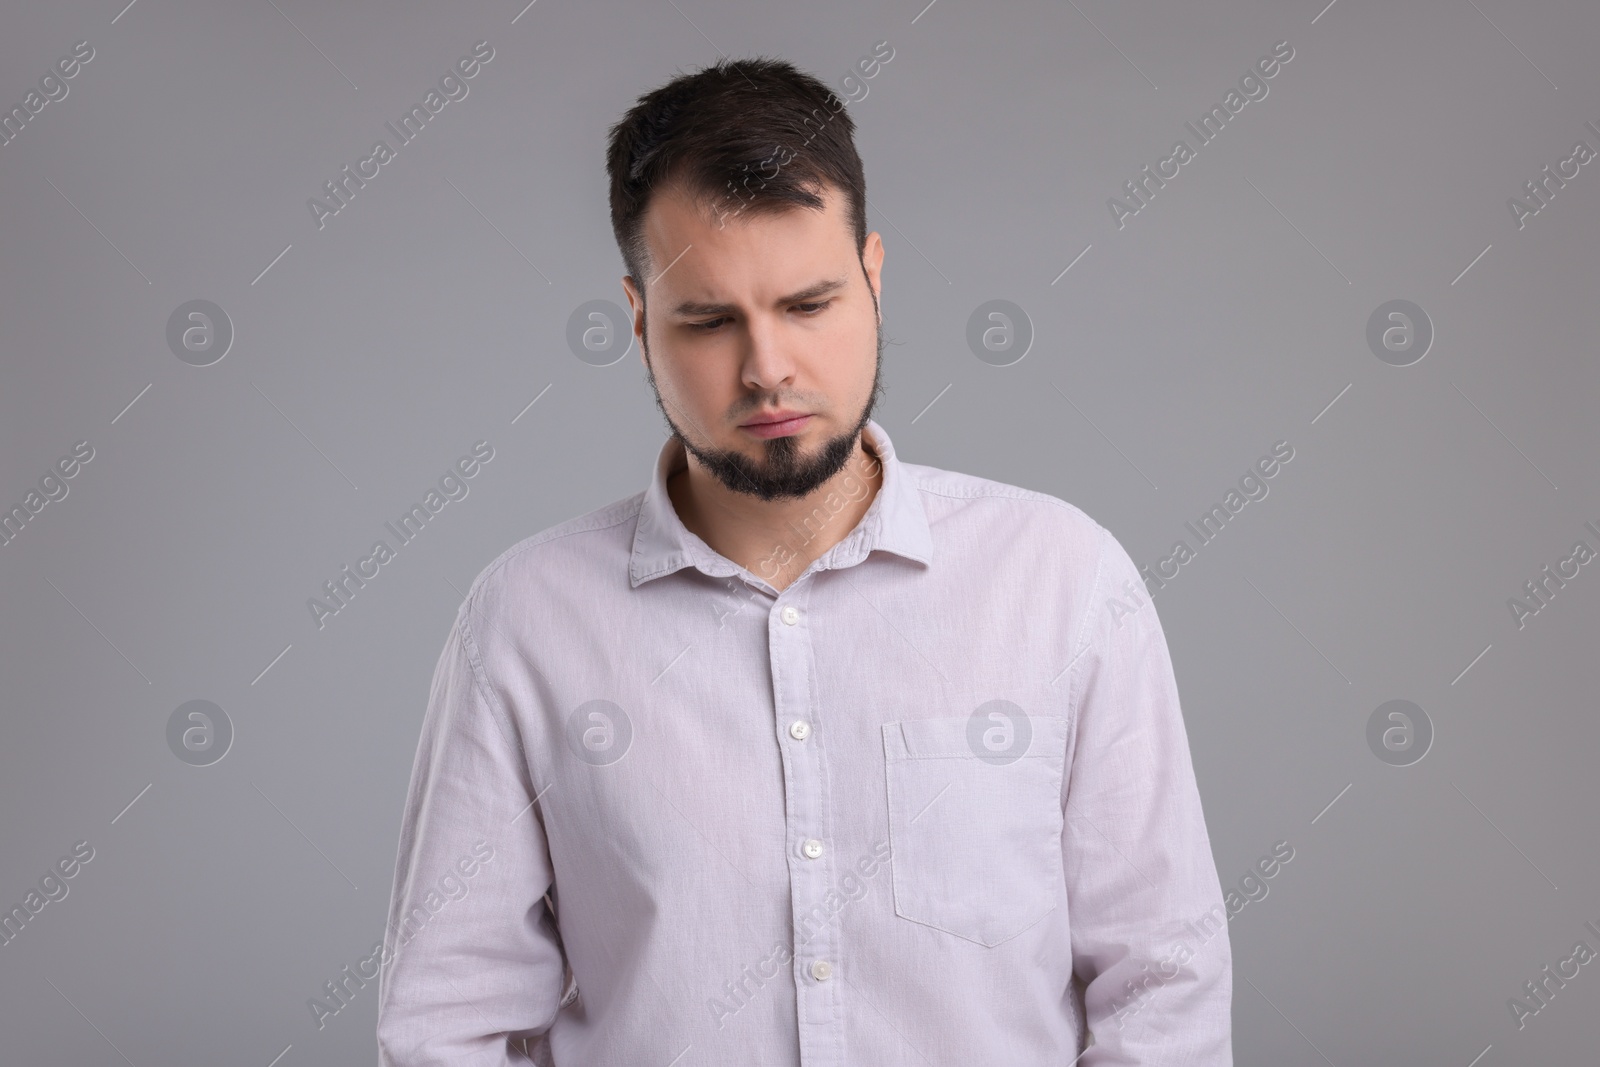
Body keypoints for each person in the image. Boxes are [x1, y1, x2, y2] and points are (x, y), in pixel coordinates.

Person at [376, 55, 1232, 1066]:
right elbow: (447, 1022)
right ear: (640, 319)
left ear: (873, 276)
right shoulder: (525, 621)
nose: (767, 366)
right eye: (707, 320)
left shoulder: (1062, 582)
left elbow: (1162, 984)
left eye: (809, 304)